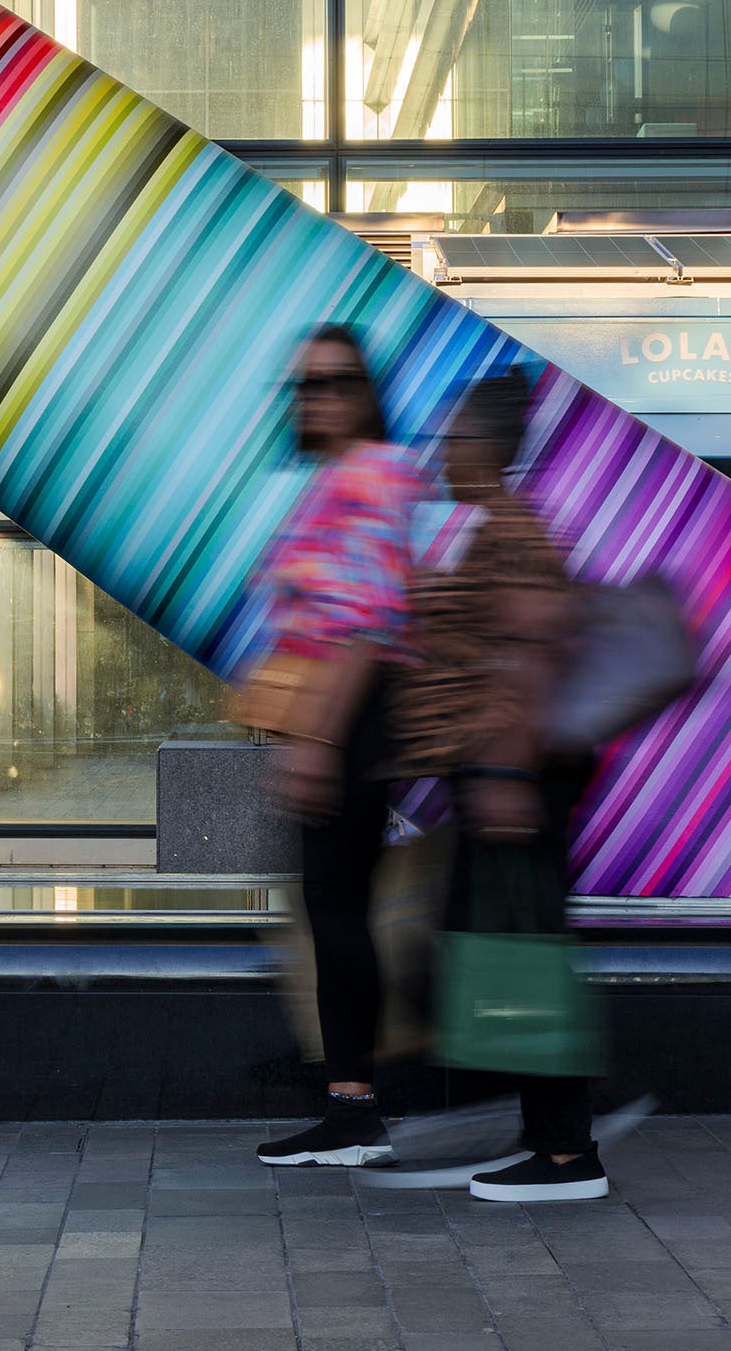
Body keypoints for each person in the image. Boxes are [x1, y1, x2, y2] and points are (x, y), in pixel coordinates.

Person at [396, 369, 608, 1203]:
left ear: (482, 448)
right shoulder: (501, 526)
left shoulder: (512, 528)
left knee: (519, 953)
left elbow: (528, 653)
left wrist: (505, 774)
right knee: (507, 948)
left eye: (451, 441)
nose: (443, 455)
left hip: (512, 771)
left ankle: (565, 1155)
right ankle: (548, 1138)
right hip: (501, 768)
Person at [255, 324, 422, 1168]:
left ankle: (356, 1109)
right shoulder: (340, 477)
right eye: (304, 384)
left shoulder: (372, 475)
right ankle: (352, 1106)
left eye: (332, 381)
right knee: (334, 910)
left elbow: (363, 628)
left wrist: (319, 740)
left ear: (363, 392)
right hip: (336, 717)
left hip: (348, 718)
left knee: (336, 910)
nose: (315, 397)